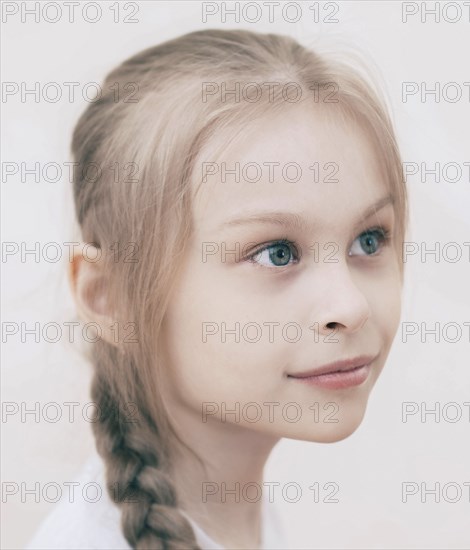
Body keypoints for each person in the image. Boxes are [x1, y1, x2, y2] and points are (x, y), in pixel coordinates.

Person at [27, 28, 408, 550]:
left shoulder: (232, 514)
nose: (350, 306)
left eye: (369, 239)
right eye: (277, 252)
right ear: (109, 298)